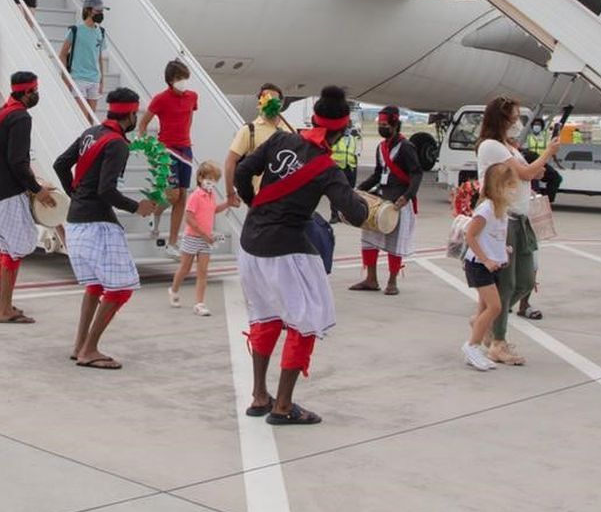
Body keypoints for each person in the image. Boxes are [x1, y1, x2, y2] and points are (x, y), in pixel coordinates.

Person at [235, 86, 368, 425]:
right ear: (339, 131)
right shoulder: (327, 169)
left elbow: (240, 171)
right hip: (285, 249)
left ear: (313, 119)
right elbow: (353, 212)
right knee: (305, 323)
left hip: (251, 243)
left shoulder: (279, 140)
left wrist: (254, 204)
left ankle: (259, 395)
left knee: (264, 317)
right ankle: (282, 406)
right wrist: (367, 204)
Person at [53, 89, 159, 369]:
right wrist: (138, 207)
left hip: (76, 222)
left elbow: (60, 164)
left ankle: (80, 346)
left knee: (95, 286)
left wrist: (75, 194)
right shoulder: (117, 144)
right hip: (97, 225)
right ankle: (89, 350)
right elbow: (106, 190)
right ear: (132, 114)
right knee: (121, 290)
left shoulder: (91, 133)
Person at [475, 96, 561, 365]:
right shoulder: (491, 146)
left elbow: (524, 173)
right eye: (514, 117)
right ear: (502, 119)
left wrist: (535, 170)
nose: (518, 122)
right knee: (509, 281)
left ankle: (487, 319)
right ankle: (497, 340)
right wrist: (548, 152)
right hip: (504, 219)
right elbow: (522, 174)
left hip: (521, 218)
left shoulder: (507, 147)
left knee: (525, 280)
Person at [0, 71, 58, 324]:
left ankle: (3, 305)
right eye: (35, 90)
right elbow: (17, 161)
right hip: (8, 194)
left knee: (7, 250)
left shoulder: (1, 114)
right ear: (27, 92)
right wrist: (37, 189)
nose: (37, 94)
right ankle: (4, 310)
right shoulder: (20, 117)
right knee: (15, 251)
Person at [350, 106, 422, 296]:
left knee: (394, 243)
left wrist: (407, 196)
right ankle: (371, 279)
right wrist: (359, 189)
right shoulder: (381, 147)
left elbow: (416, 174)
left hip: (397, 203)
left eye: (384, 125)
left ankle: (392, 281)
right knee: (369, 239)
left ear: (394, 125)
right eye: (380, 124)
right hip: (380, 200)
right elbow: (377, 174)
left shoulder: (406, 147)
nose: (381, 128)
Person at [139, 59, 198, 254]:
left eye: (185, 77)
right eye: (179, 78)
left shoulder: (192, 97)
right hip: (167, 150)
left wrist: (187, 139)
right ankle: (155, 213)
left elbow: (189, 119)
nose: (183, 82)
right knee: (173, 196)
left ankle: (172, 243)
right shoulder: (160, 99)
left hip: (186, 150)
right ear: (170, 80)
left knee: (182, 197)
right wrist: (146, 146)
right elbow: (143, 123)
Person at [463, 161, 517, 371]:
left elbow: (495, 236)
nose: (513, 189)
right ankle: (472, 346)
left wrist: (503, 251)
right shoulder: (486, 209)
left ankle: (474, 346)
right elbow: (470, 235)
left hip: (493, 266)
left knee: (484, 309)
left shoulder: (500, 208)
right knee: (495, 307)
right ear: (498, 186)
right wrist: (486, 259)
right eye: (509, 185)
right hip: (479, 266)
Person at [168, 160, 228, 316]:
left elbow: (213, 210)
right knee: (185, 268)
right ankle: (174, 290)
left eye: (215, 179)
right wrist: (204, 235)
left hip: (206, 240)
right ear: (200, 178)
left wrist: (228, 204)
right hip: (192, 238)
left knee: (203, 272)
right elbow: (189, 218)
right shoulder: (195, 195)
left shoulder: (211, 195)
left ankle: (199, 303)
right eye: (210, 178)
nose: (212, 182)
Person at [224, 83, 296, 208]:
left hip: (287, 200)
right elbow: (230, 161)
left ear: (281, 103)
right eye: (266, 99)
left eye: (273, 99)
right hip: (261, 201)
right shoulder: (249, 130)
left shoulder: (290, 130)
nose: (270, 103)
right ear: (260, 103)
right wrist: (230, 193)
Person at [58, 0, 107, 111]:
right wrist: (66, 78)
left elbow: (99, 57)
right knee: (83, 115)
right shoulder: (75, 30)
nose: (101, 13)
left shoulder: (101, 32)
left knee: (91, 118)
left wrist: (102, 81)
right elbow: (62, 54)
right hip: (78, 78)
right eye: (98, 11)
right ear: (88, 11)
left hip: (94, 79)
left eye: (102, 11)